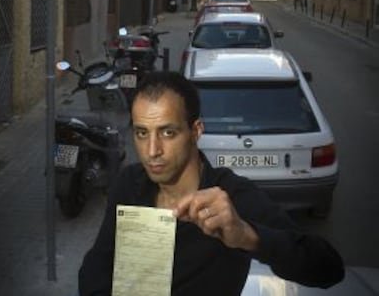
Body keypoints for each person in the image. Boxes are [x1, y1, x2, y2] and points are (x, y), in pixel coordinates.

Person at [78, 71, 344, 296]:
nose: (152, 151)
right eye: (142, 133)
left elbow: (328, 268)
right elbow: (98, 264)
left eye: (168, 133)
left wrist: (246, 236)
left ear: (196, 131)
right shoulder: (129, 183)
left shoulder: (232, 198)